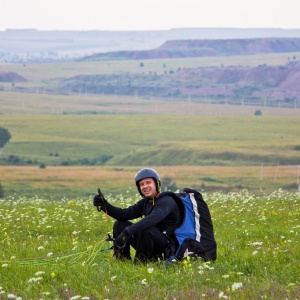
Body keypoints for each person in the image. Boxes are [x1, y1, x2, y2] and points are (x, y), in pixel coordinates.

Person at [93, 168, 182, 263]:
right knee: (119, 224)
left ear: (156, 184)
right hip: (150, 242)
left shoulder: (167, 201)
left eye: (148, 182)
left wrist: (127, 232)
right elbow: (123, 215)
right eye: (141, 184)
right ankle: (123, 263)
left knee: (145, 229)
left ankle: (139, 265)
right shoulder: (146, 202)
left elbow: (152, 220)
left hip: (167, 248)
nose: (145, 186)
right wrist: (104, 205)